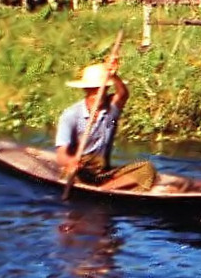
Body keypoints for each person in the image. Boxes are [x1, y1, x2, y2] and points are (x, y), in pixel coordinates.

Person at [55, 63, 156, 191]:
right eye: (96, 89)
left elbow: (123, 94)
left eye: (104, 88)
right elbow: (61, 155)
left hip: (103, 172)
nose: (101, 92)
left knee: (147, 169)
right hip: (80, 171)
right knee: (71, 175)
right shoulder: (71, 115)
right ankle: (102, 188)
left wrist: (114, 76)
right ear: (86, 90)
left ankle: (104, 189)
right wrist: (71, 162)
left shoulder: (111, 108)